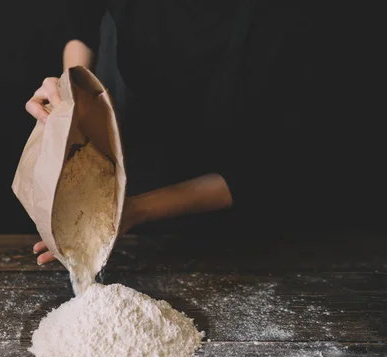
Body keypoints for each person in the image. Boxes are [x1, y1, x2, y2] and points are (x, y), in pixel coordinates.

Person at [24, 1, 381, 265]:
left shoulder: (292, 22)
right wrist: (70, 86)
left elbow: (271, 166)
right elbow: (81, 18)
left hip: (246, 234)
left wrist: (128, 213)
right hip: (130, 174)